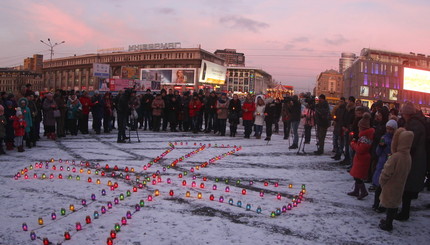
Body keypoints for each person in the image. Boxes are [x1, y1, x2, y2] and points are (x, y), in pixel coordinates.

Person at [395, 102, 427, 221]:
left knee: (407, 185)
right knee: (409, 185)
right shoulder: (417, 122)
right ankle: (404, 210)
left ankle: (404, 213)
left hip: (414, 158)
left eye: (403, 113)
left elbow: (410, 143)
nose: (402, 116)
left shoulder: (414, 124)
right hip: (415, 157)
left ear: (407, 113)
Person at [379, 128, 414, 231]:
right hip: (400, 183)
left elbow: (387, 170)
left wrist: (382, 180)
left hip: (391, 183)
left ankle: (388, 224)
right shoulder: (407, 156)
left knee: (390, 203)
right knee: (394, 202)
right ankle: (388, 221)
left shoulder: (396, 156)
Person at [372, 119, 397, 213]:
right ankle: (376, 203)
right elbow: (378, 152)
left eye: (391, 129)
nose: (389, 131)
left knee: (385, 188)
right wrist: (380, 146)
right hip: (381, 163)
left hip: (389, 163)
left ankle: (383, 205)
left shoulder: (395, 139)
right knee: (379, 186)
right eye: (388, 129)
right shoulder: (383, 137)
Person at [348, 112, 374, 200]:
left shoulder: (365, 138)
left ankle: (363, 191)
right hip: (360, 158)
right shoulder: (364, 137)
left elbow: (361, 149)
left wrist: (353, 144)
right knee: (356, 175)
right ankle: (356, 190)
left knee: (358, 176)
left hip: (362, 159)